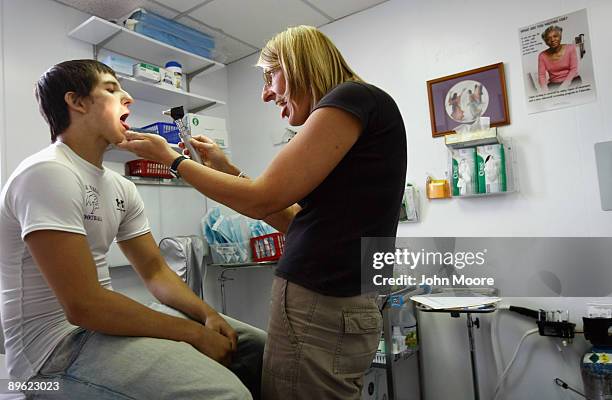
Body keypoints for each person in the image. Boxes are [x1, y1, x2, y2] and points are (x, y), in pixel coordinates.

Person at [118, 25, 407, 400]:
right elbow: (292, 219)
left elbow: (260, 199)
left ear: (299, 64)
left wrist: (171, 161)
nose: (266, 93)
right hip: (342, 303)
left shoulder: (351, 98)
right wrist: (225, 170)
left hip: (322, 303)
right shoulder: (362, 112)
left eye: (271, 75)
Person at [0, 60, 265, 399]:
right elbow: (83, 306)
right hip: (52, 350)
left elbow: (154, 270)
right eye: (111, 89)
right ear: (77, 102)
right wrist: (193, 334)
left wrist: (207, 315)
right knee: (227, 394)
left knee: (256, 349)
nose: (128, 98)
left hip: (98, 329)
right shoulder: (47, 174)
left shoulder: (120, 187)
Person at [538, 25, 581, 92]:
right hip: (554, 85)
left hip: (572, 80)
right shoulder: (542, 55)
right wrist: (545, 92)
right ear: (546, 42)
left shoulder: (570, 48)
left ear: (560, 37)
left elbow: (574, 69)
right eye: (548, 39)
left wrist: (563, 87)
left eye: (555, 36)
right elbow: (541, 76)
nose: (552, 40)